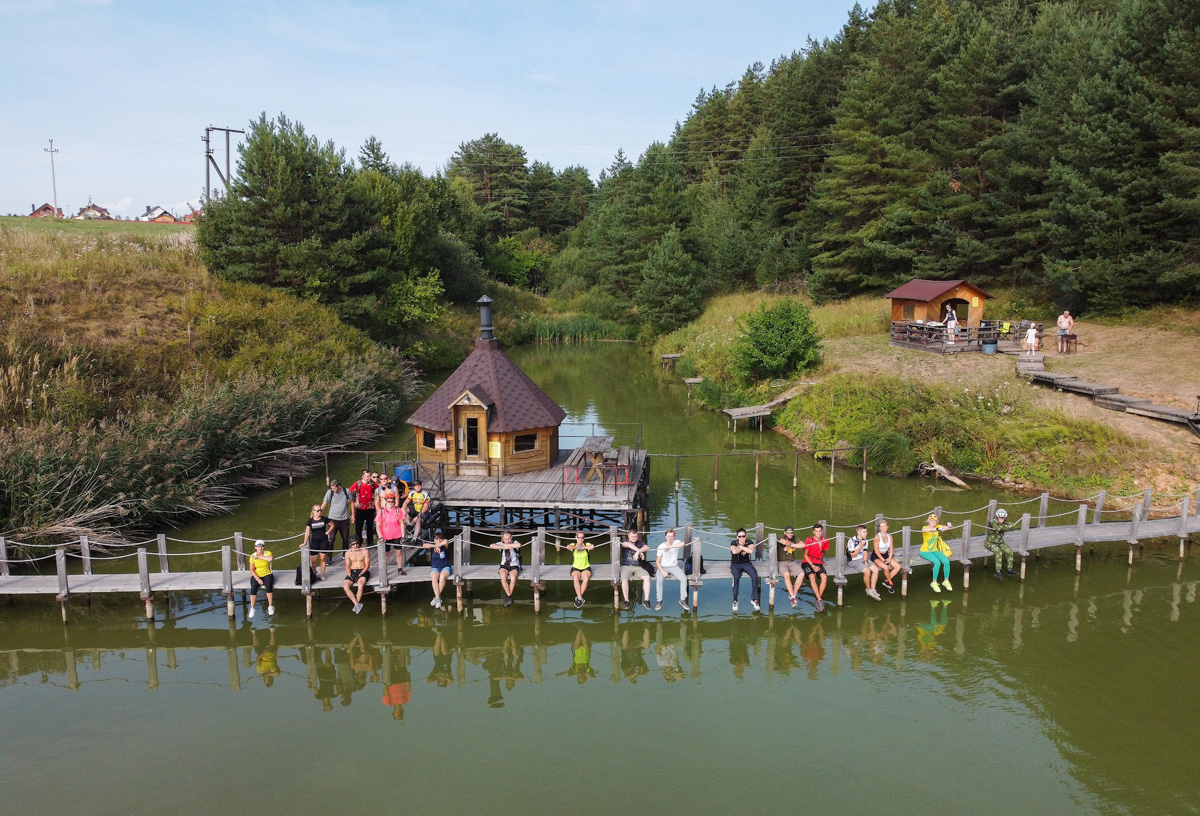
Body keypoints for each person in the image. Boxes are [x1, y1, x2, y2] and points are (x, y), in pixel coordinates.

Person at [654, 528, 688, 611]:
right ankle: (659, 600)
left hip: (674, 566)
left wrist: (670, 546)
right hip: (663, 566)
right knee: (659, 580)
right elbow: (657, 562)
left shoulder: (676, 543)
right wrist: (663, 571)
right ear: (665, 536)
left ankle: (682, 599)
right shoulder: (661, 546)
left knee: (683, 578)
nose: (670, 538)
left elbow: (683, 543)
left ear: (674, 537)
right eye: (668, 536)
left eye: (671, 536)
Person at [618, 529, 652, 611]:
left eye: (635, 536)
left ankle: (646, 600)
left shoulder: (640, 543)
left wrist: (638, 552)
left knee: (647, 577)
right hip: (626, 566)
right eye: (632, 536)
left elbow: (647, 547)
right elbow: (628, 545)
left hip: (638, 566)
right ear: (628, 536)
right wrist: (639, 551)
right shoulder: (624, 542)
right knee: (624, 579)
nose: (634, 538)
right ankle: (626, 600)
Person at [375, 491, 408, 575]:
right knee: (386, 554)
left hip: (397, 534)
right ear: (386, 501)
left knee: (398, 552)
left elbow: (401, 523)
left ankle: (400, 568)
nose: (390, 503)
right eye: (389, 501)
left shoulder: (398, 510)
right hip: (385, 536)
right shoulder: (381, 512)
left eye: (392, 501)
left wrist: (403, 535)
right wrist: (380, 537)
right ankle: (384, 570)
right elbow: (378, 526)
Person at [729, 528, 761, 613]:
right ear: (737, 537)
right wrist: (742, 548)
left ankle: (754, 599)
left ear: (746, 536)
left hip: (746, 563)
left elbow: (750, 550)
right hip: (736, 564)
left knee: (754, 576)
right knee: (736, 577)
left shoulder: (749, 542)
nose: (742, 538)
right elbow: (734, 552)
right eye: (740, 536)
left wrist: (740, 547)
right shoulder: (733, 542)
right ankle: (735, 600)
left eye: (743, 536)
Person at [921, 514, 954, 593]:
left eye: (934, 520)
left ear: (936, 522)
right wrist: (938, 529)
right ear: (929, 521)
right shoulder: (925, 527)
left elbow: (949, 527)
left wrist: (949, 525)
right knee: (937, 563)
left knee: (946, 562)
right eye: (931, 520)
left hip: (935, 550)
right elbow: (926, 530)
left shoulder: (938, 526)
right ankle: (934, 582)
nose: (933, 521)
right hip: (925, 551)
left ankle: (946, 581)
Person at [984, 508, 1020, 581]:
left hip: (1000, 542)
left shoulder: (1005, 523)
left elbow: (1012, 525)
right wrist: (1005, 527)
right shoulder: (993, 521)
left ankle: (1009, 570)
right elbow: (998, 528)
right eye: (1000, 518)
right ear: (997, 517)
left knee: (1009, 551)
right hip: (990, 542)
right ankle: (998, 571)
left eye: (1003, 518)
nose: (1001, 519)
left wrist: (1006, 526)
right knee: (998, 552)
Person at [847, 524, 880, 600]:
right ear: (859, 533)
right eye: (864, 532)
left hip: (862, 558)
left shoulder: (865, 540)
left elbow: (865, 552)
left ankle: (873, 589)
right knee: (867, 571)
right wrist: (861, 546)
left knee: (875, 569)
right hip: (853, 560)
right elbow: (853, 555)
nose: (866, 534)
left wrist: (865, 561)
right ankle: (868, 590)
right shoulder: (851, 541)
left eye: (866, 532)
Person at [802, 523, 830, 611]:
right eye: (816, 531)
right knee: (812, 576)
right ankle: (820, 600)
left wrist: (821, 561)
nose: (818, 533)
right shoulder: (809, 540)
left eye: (820, 531)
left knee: (824, 577)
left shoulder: (825, 540)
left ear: (822, 531)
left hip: (818, 562)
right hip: (807, 562)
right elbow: (805, 555)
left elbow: (823, 551)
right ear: (813, 532)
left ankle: (818, 598)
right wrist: (812, 565)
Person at [490, 531, 522, 606]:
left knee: (513, 578)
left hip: (514, 565)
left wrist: (510, 545)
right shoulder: (501, 543)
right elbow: (491, 546)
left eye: (509, 539)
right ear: (503, 539)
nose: (507, 540)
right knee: (503, 577)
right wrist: (505, 547)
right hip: (504, 565)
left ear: (511, 538)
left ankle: (508, 597)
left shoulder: (514, 542)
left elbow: (519, 545)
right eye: (506, 539)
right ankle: (510, 596)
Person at [301, 504, 332, 581]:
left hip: (323, 541)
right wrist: (304, 543)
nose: (319, 512)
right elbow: (307, 532)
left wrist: (328, 532)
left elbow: (332, 525)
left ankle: (322, 574)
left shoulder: (324, 519)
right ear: (313, 511)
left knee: (323, 559)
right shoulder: (310, 521)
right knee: (313, 561)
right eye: (317, 510)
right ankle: (314, 571)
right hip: (314, 542)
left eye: (320, 510)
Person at [322, 479, 353, 551]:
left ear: (339, 486)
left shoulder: (346, 491)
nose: (333, 490)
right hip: (332, 519)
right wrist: (318, 514)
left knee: (345, 538)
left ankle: (345, 553)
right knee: (331, 538)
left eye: (334, 488)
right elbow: (324, 504)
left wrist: (353, 515)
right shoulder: (329, 493)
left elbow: (351, 502)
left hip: (344, 519)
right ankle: (329, 556)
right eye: (331, 488)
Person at [342, 537, 372, 614]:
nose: (355, 545)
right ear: (350, 544)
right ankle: (357, 604)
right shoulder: (347, 553)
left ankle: (356, 605)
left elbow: (367, 565)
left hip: (362, 571)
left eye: (357, 543)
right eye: (353, 544)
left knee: (360, 584)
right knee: (345, 586)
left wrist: (360, 574)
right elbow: (347, 566)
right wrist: (349, 574)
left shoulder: (364, 551)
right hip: (352, 571)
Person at [424, 529, 452, 608]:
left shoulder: (444, 546)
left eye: (440, 538)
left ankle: (436, 598)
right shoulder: (432, 547)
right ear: (434, 540)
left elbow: (446, 541)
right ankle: (438, 598)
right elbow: (424, 545)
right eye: (436, 538)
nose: (438, 540)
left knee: (442, 577)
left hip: (445, 566)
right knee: (434, 577)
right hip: (435, 567)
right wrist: (435, 546)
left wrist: (439, 546)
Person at [777, 526, 804, 608]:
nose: (790, 534)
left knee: (802, 573)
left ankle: (793, 595)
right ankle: (793, 597)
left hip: (792, 562)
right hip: (781, 562)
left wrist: (793, 546)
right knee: (786, 574)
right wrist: (793, 545)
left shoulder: (795, 538)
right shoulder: (781, 537)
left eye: (791, 532)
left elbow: (803, 545)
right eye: (788, 532)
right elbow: (783, 542)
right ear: (784, 532)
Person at [872, 520, 901, 594]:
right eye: (881, 526)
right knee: (886, 567)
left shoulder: (890, 536)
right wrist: (884, 560)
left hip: (886, 555)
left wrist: (889, 558)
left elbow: (891, 549)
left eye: (884, 526)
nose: (883, 528)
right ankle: (890, 583)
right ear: (879, 528)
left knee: (898, 566)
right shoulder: (877, 536)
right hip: (877, 556)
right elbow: (876, 551)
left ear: (887, 527)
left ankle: (887, 581)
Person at [350, 470, 377, 548]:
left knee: (370, 526)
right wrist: (354, 503)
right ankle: (358, 543)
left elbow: (379, 490)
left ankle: (370, 542)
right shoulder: (357, 484)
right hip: (360, 509)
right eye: (367, 476)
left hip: (370, 508)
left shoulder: (372, 484)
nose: (369, 478)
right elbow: (348, 494)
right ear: (363, 476)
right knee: (358, 527)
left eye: (369, 476)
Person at [248, 539, 275, 618]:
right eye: (258, 546)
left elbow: (270, 559)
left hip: (267, 574)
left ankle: (270, 606)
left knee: (269, 587)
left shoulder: (267, 553)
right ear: (255, 547)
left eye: (262, 546)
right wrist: (258, 579)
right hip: (257, 575)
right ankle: (252, 608)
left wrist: (259, 557)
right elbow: (252, 570)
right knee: (253, 589)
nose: (260, 548)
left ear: (264, 547)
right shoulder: (252, 556)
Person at [566, 531, 594, 608]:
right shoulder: (573, 545)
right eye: (579, 537)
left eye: (582, 538)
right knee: (576, 578)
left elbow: (592, 546)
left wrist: (582, 547)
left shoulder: (586, 544)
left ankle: (578, 598)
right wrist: (577, 547)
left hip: (586, 567)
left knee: (586, 578)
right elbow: (568, 547)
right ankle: (580, 598)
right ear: (576, 537)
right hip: (576, 567)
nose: (580, 539)